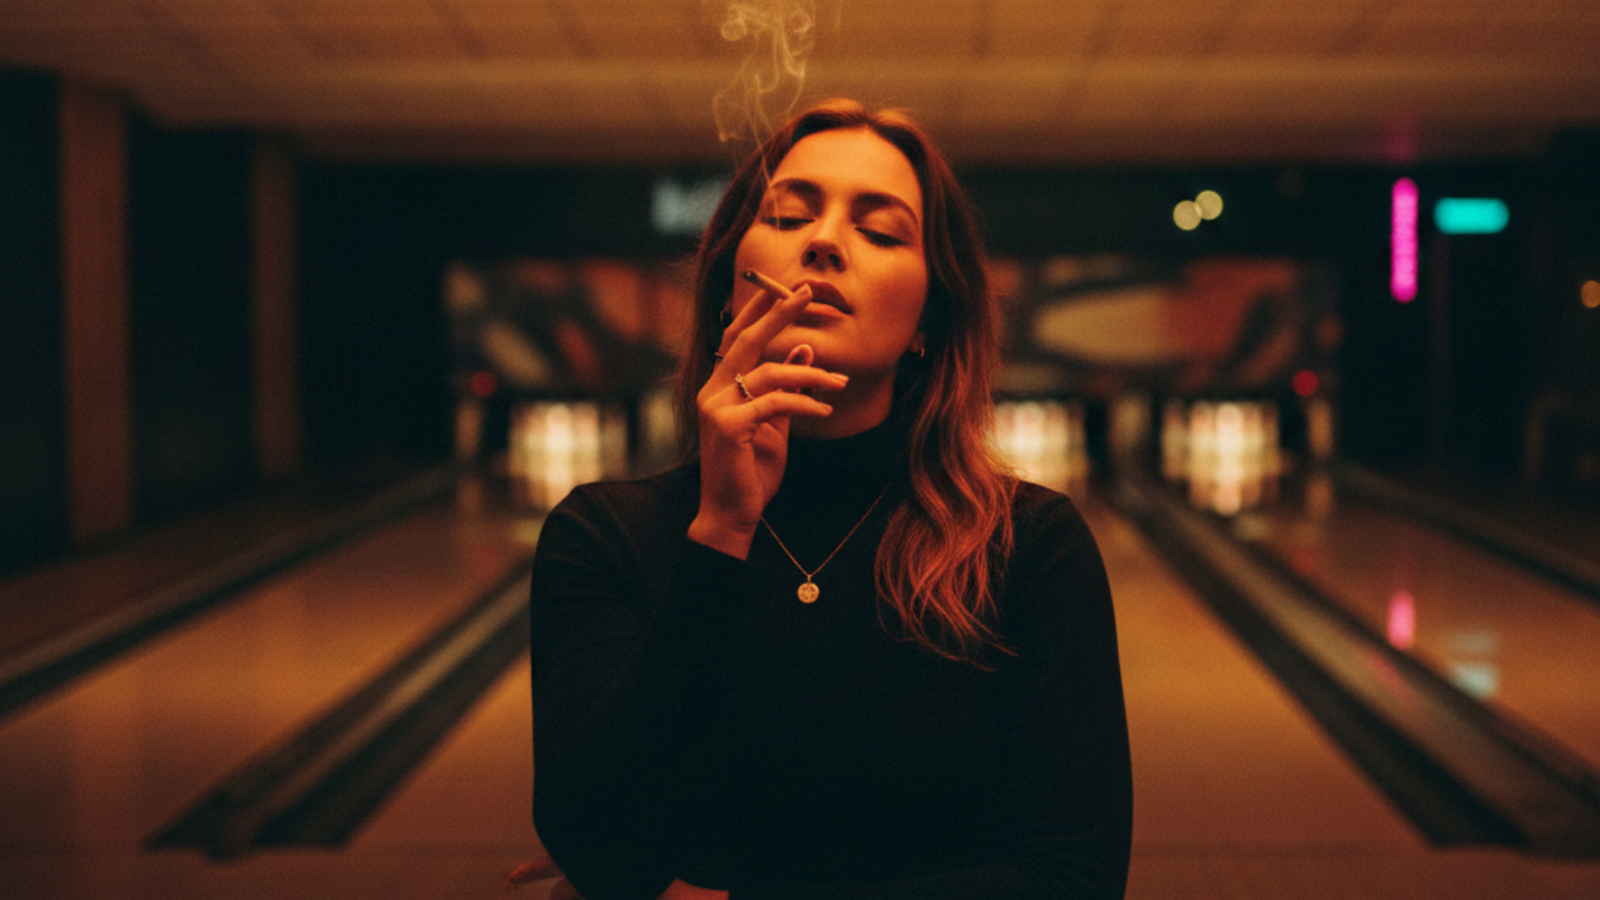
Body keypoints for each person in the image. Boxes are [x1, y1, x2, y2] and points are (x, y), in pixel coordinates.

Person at [521, 98, 1132, 900]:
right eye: (787, 214)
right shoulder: (603, 537)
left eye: (880, 231)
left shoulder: (1029, 547)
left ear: (927, 319)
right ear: (728, 288)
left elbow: (1074, 879)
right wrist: (721, 534)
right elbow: (594, 836)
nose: (823, 242)